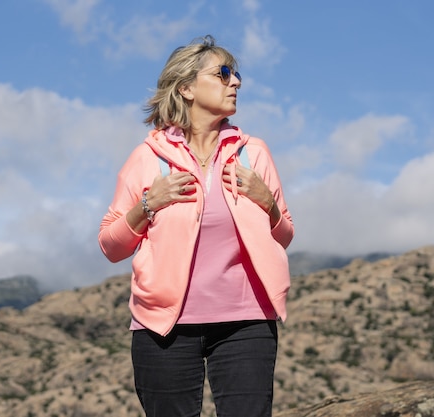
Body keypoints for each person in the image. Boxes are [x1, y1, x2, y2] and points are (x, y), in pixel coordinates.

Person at [98, 34, 294, 417]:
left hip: (246, 322)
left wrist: (267, 203)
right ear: (186, 87)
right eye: (223, 73)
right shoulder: (147, 158)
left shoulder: (253, 153)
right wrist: (147, 204)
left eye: (236, 74)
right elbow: (110, 246)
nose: (235, 82)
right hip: (162, 327)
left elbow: (284, 234)